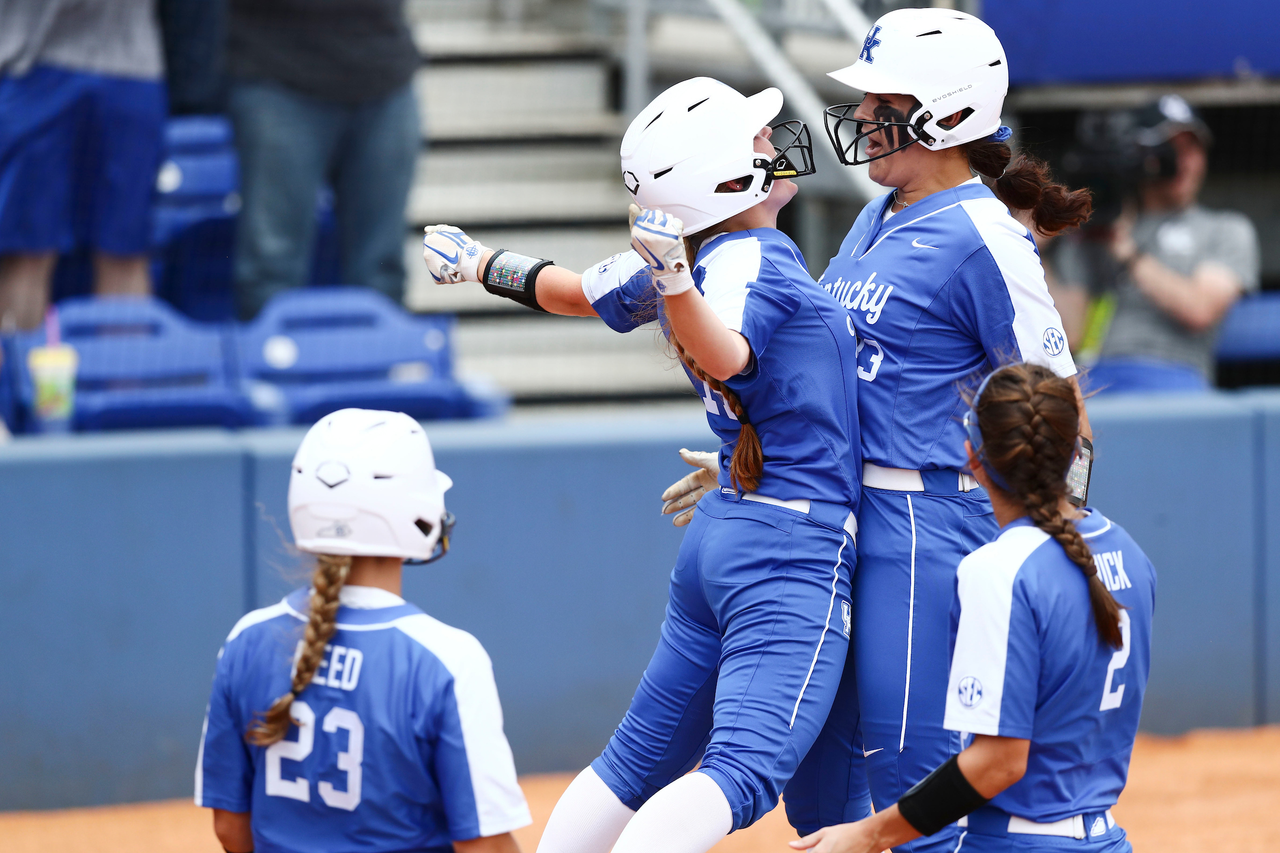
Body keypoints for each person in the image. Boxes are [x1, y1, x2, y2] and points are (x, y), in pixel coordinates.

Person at [661, 10, 1093, 850]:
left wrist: (1057, 550)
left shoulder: (986, 236)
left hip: (928, 528)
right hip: (846, 515)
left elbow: (1062, 409)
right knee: (825, 789)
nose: (861, 117)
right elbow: (825, 372)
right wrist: (765, 460)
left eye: (882, 102)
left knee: (910, 780)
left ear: (947, 113)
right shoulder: (878, 214)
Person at [423, 77, 863, 853]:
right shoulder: (744, 256)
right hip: (789, 544)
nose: (773, 143)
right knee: (743, 769)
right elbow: (729, 354)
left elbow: (570, 292)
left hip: (730, 524)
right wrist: (673, 281)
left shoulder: (699, 256)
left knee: (637, 759)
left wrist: (480, 262)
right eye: (755, 139)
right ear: (722, 178)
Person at [790, 361, 1155, 853]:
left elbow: (999, 762)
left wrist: (866, 834)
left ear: (971, 457)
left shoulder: (998, 569)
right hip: (1106, 839)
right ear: (1075, 451)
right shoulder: (1128, 551)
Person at [195, 408, 531, 853]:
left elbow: (230, 828)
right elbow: (485, 846)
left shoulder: (247, 639)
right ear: (413, 510)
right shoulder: (447, 659)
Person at [1049, 95, 1260, 394]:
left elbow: (1200, 309)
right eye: (1169, 149)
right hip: (1096, 379)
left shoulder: (1225, 228)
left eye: (1192, 148)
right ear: (1140, 157)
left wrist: (1126, 251)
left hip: (1176, 379)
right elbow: (1069, 334)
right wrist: (1033, 245)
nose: (1183, 161)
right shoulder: (1098, 225)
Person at [226, 0, 421, 319]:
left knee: (382, 276)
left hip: (385, 71)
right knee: (271, 274)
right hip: (277, 70)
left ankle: (376, 354)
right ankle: (271, 354)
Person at [0, 0, 165, 330]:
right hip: (30, 61)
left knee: (125, 251)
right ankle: (17, 364)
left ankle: (127, 365)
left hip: (133, 64)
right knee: (26, 251)